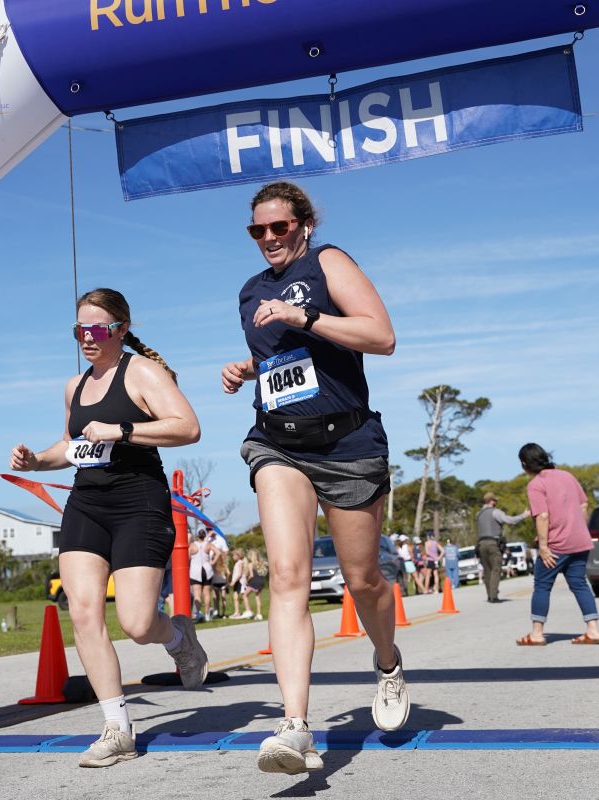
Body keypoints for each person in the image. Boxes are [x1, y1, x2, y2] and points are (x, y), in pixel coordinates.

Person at [220, 181, 404, 775]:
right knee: (287, 575)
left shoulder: (328, 262)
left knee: (363, 580)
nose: (269, 237)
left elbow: (381, 336)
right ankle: (295, 726)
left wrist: (305, 314)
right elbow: (286, 359)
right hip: (278, 443)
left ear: (303, 224)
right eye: (258, 230)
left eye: (279, 226)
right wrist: (248, 368)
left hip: (348, 446)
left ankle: (387, 662)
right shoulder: (251, 290)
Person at [9, 288, 208, 768]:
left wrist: (122, 430)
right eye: (79, 329)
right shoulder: (73, 386)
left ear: (121, 329)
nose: (86, 337)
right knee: (83, 613)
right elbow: (70, 446)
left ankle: (178, 638)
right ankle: (117, 728)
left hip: (139, 502)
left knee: (137, 624)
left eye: (96, 328)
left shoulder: (142, 372)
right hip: (87, 504)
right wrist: (37, 460)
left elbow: (188, 427)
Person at [515, 443, 599, 647]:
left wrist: (543, 547)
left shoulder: (536, 484)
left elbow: (542, 516)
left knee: (542, 586)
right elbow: (583, 504)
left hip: (556, 545)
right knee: (580, 584)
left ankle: (537, 634)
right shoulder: (567, 476)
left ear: (525, 463)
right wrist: (578, 530)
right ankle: (593, 630)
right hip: (580, 541)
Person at [476, 492, 529, 603]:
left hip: (481, 544)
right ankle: (493, 596)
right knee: (496, 569)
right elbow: (510, 520)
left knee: (487, 570)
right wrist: (524, 515)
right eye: (495, 500)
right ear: (491, 501)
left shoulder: (478, 514)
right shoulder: (495, 512)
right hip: (493, 543)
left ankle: (489, 594)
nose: (496, 502)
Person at [188, 529, 215, 621]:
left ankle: (198, 613)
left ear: (197, 535)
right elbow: (218, 552)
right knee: (207, 594)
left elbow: (187, 558)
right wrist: (212, 562)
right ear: (205, 535)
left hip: (195, 571)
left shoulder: (192, 545)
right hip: (207, 570)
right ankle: (207, 615)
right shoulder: (208, 544)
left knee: (197, 594)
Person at [244, 549, 266, 620]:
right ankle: (259, 614)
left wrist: (247, 581)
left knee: (245, 595)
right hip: (261, 582)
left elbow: (251, 575)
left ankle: (248, 611)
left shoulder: (250, 564)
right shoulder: (260, 563)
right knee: (257, 597)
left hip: (253, 582)